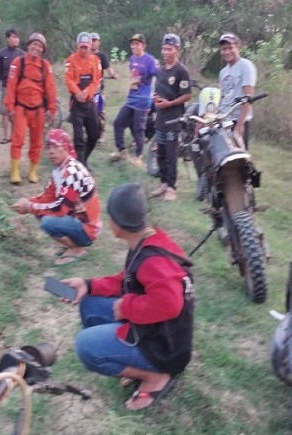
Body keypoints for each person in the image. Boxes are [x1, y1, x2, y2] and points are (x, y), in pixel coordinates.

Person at [62, 183, 195, 410]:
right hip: (156, 330)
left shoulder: (152, 259)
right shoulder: (148, 240)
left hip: (165, 348)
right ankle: (136, 366)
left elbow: (171, 304)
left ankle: (156, 376)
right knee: (89, 304)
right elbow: (127, 280)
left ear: (118, 224)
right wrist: (88, 285)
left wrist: (127, 308)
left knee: (85, 347)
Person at [10, 129, 101, 265]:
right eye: (48, 147)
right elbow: (49, 194)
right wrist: (31, 202)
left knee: (47, 222)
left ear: (65, 148)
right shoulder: (60, 168)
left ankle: (78, 249)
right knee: (40, 213)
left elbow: (60, 208)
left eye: (56, 146)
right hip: (77, 218)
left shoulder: (72, 172)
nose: (51, 151)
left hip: (87, 226)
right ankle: (72, 244)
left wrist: (30, 207)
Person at [4, 32, 57, 185]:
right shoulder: (17, 63)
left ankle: (32, 171)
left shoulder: (45, 66)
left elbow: (51, 88)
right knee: (17, 139)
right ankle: (15, 171)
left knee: (37, 142)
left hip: (38, 109)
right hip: (21, 107)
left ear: (43, 50)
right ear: (28, 46)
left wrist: (52, 109)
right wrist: (10, 107)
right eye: (34, 44)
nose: (36, 48)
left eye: (40, 46)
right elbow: (11, 85)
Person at [149, 34, 192, 202]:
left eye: (169, 49)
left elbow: (187, 95)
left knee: (171, 154)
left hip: (173, 119)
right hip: (160, 118)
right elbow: (158, 90)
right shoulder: (160, 70)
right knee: (159, 152)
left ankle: (172, 188)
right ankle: (163, 182)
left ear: (177, 50)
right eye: (164, 48)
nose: (166, 52)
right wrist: (155, 98)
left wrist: (170, 103)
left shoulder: (181, 71)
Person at [110, 33, 158, 166]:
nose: (134, 46)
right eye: (132, 44)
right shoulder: (132, 59)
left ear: (143, 45)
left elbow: (159, 76)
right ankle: (122, 151)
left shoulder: (150, 60)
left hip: (143, 100)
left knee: (138, 129)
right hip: (131, 99)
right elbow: (134, 77)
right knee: (118, 123)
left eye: (137, 44)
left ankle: (139, 156)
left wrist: (157, 94)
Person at [64, 32, 102, 167]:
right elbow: (68, 79)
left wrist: (86, 92)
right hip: (76, 104)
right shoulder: (71, 60)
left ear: (90, 46)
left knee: (95, 134)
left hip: (89, 102)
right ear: (78, 46)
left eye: (86, 47)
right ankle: (79, 166)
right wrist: (77, 92)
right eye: (81, 47)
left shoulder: (95, 61)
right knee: (78, 138)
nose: (84, 50)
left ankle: (83, 160)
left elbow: (96, 80)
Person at [218, 33, 257, 149]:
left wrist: (240, 125)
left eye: (230, 48)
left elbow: (247, 97)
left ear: (238, 47)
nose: (227, 52)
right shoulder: (223, 72)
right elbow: (223, 96)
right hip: (224, 119)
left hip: (237, 119)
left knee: (239, 160)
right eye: (224, 49)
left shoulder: (246, 66)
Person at [0, 28, 25, 145]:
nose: (15, 40)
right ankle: (5, 136)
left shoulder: (22, 54)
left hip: (19, 88)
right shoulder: (1, 54)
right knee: (5, 112)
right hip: (6, 86)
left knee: (15, 112)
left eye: (17, 37)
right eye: (13, 37)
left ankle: (13, 136)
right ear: (8, 39)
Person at [90, 32, 117, 144]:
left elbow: (109, 69)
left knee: (100, 112)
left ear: (99, 42)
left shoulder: (102, 56)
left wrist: (113, 75)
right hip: (85, 89)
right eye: (91, 40)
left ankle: (101, 135)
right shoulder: (85, 55)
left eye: (95, 40)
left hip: (98, 89)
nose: (93, 43)